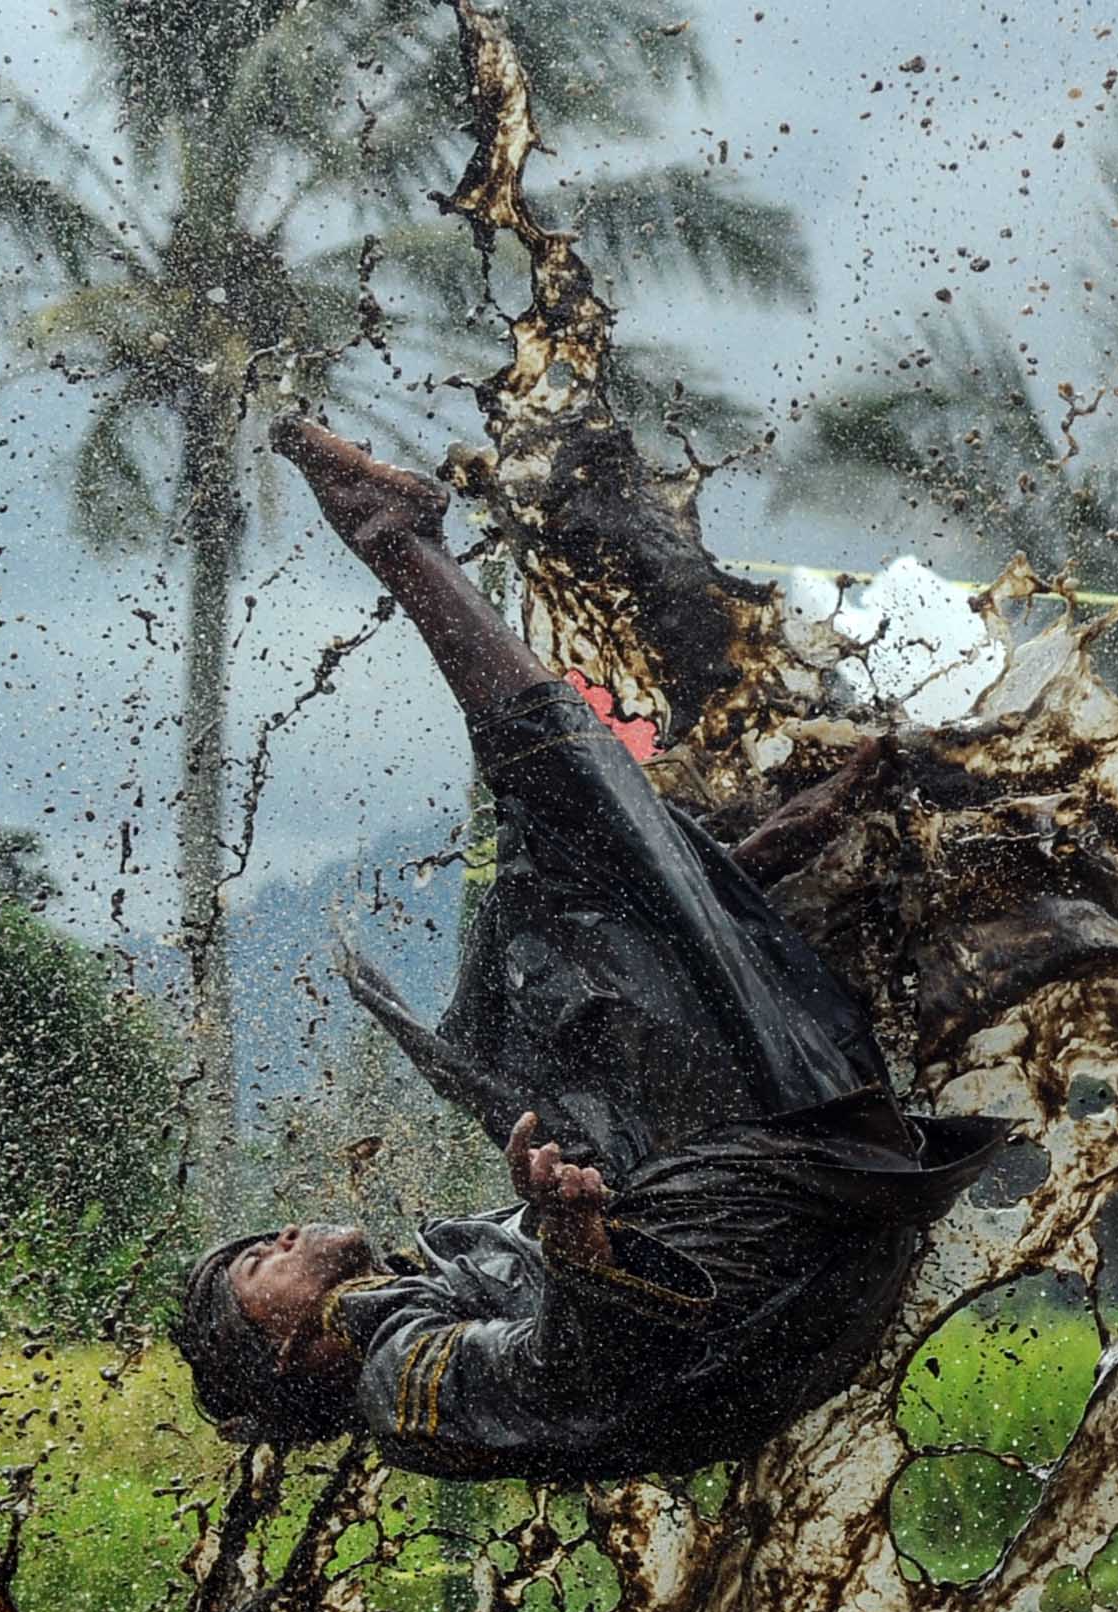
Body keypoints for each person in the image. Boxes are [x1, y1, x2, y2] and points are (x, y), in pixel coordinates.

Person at [171, 422, 1004, 1480]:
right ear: (285, 1354)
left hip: (803, 1225)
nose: (277, 1235)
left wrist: (730, 881)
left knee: (569, 971)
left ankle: (754, 867)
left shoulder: (430, 1283)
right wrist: (582, 1253)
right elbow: (570, 1374)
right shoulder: (398, 1383)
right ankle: (394, 539)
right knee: (562, 850)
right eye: (256, 1266)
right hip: (767, 1246)